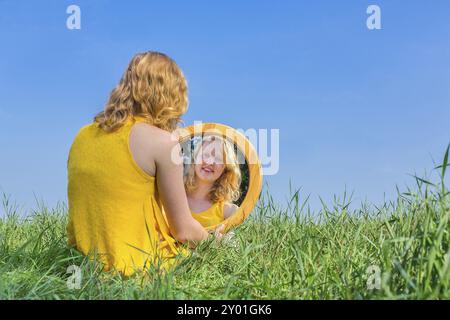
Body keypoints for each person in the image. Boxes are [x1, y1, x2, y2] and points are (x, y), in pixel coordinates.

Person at [67, 51, 221, 276]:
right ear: (171, 97)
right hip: (137, 268)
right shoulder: (163, 143)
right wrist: (214, 242)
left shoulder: (81, 136)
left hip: (81, 265)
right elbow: (184, 231)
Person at [184, 135, 241, 229]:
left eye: (218, 158)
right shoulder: (176, 195)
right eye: (205, 155)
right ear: (195, 159)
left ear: (225, 168)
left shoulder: (229, 211)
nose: (210, 162)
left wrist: (227, 240)